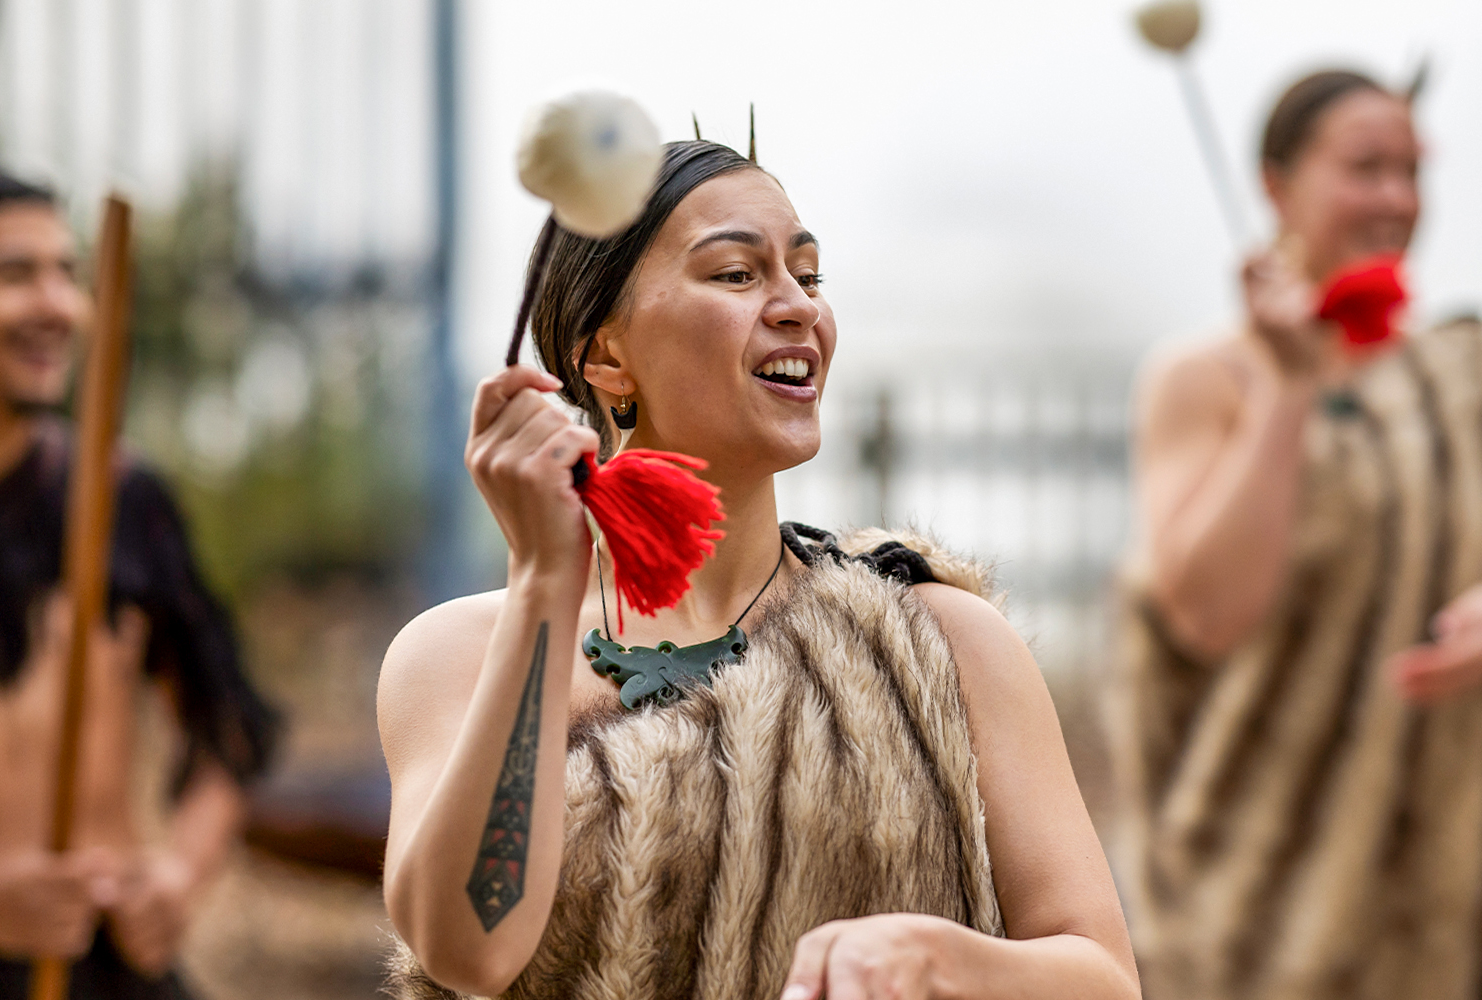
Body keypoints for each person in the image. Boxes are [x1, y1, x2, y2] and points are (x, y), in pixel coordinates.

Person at [379, 140, 1139, 1000]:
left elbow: (1104, 977)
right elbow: (468, 950)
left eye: (808, 277)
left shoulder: (937, 642)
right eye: (738, 275)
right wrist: (545, 585)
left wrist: (943, 963)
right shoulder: (456, 655)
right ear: (605, 358)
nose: (797, 309)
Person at [1116, 69, 1482, 999]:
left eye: (1412, 170)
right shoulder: (1206, 377)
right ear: (1275, 185)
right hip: (1251, 905)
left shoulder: (1461, 374)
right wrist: (1289, 384)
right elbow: (1204, 615)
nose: (1398, 199)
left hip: (1443, 894)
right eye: (1366, 168)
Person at [0, 166, 278, 998]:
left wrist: (177, 875)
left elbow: (229, 731)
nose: (59, 306)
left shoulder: (119, 495)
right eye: (14, 274)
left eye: (66, 273)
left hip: (114, 973)